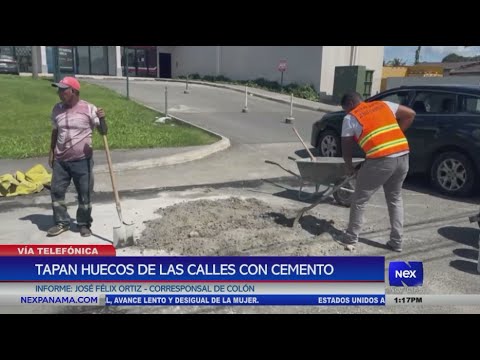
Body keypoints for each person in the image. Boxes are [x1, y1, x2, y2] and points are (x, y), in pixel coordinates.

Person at [338, 91, 416, 252]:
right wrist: (396, 135)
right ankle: (396, 241)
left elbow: (346, 144)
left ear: (351, 104)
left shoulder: (350, 117)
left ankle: (351, 237)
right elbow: (410, 114)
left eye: (346, 109)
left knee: (359, 199)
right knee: (395, 199)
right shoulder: (384, 105)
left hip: (381, 159)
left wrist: (349, 166)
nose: (347, 112)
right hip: (403, 155)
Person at [47, 76, 107, 237]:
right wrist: (51, 152)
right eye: (58, 90)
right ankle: (62, 222)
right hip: (61, 160)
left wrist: (102, 118)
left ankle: (84, 224)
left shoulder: (88, 109)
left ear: (73, 91)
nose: (59, 93)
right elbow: (55, 131)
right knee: (57, 191)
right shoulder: (57, 109)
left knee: (85, 194)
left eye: (62, 90)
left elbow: (103, 132)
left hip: (83, 160)